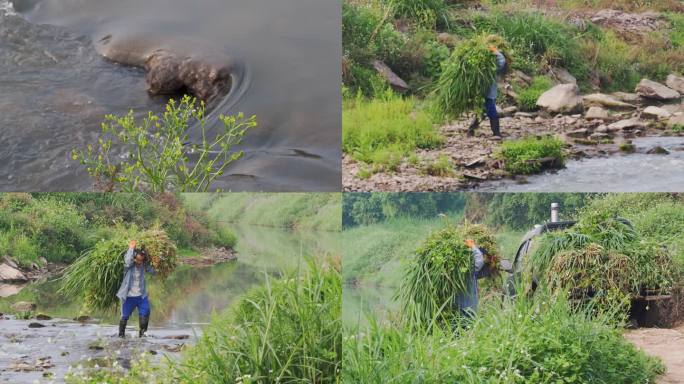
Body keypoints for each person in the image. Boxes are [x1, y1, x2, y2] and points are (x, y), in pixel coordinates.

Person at [467, 38, 508, 140]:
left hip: (489, 92)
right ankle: (473, 129)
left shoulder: (492, 67)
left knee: (489, 110)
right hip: (479, 92)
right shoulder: (476, 68)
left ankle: (495, 133)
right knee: (482, 110)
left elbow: (502, 61)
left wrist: (495, 51)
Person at [116, 239, 155, 338]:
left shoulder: (144, 266)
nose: (139, 262)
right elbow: (127, 260)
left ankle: (143, 337)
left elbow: (154, 271)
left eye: (141, 260)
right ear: (134, 258)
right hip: (129, 297)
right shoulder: (128, 267)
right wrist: (131, 248)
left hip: (141, 296)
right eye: (137, 260)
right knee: (124, 317)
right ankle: (121, 337)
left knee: (145, 312)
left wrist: (157, 262)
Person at [453, 238, 485, 318]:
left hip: (456, 309)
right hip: (468, 309)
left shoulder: (450, 272)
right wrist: (473, 247)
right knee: (468, 324)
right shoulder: (468, 271)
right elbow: (479, 261)